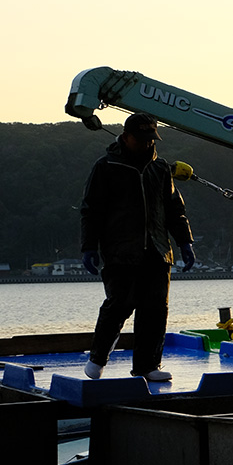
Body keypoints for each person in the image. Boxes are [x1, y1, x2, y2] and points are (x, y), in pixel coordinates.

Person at [79, 114, 194, 381]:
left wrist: (184, 241)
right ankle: (97, 359)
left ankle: (148, 366)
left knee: (155, 309)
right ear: (126, 136)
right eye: (140, 139)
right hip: (120, 250)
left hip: (157, 248)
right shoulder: (106, 166)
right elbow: (91, 210)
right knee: (118, 305)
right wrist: (89, 246)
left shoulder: (161, 168)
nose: (146, 144)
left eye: (150, 139)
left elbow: (175, 209)